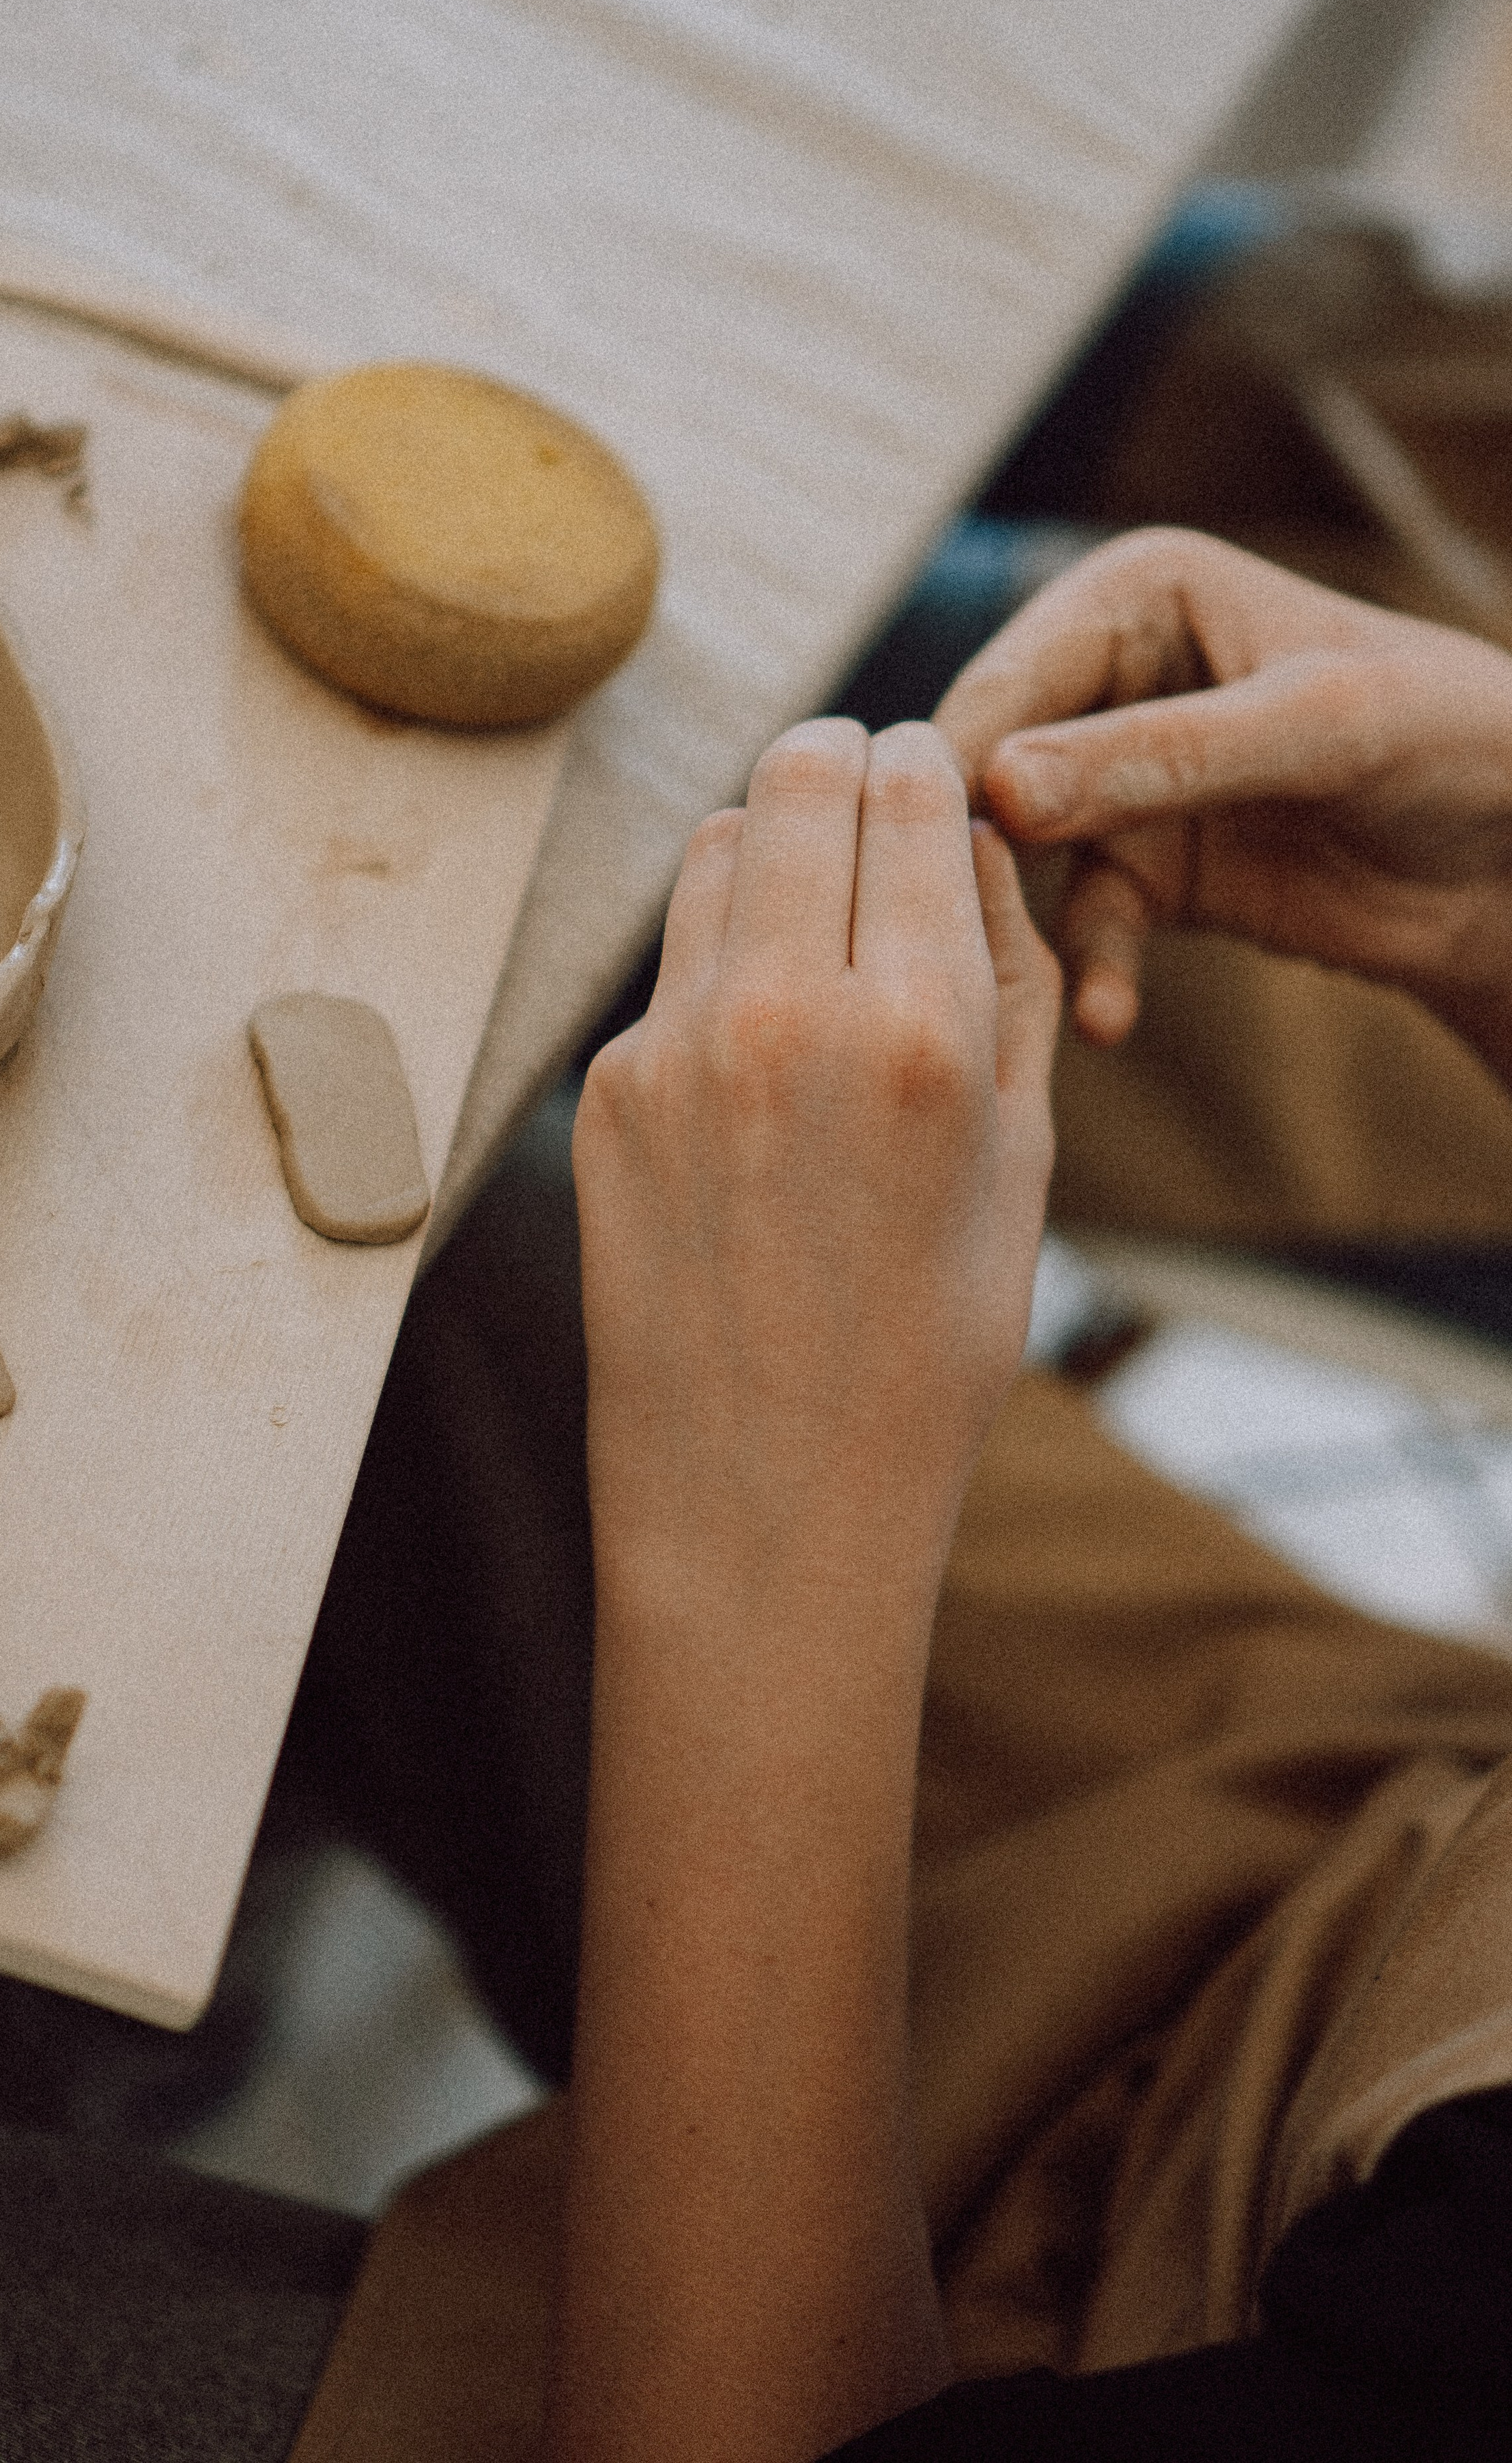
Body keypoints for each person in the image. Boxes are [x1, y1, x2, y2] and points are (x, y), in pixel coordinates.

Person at [535, 530, 1512, 2462]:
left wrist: (776, 1537)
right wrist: (1496, 914)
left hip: (1074, 2323)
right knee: (455, 1244)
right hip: (1386, 1859)